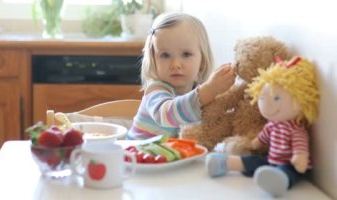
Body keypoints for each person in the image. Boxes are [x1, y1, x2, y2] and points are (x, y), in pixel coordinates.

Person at [205, 56, 320, 197]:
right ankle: (224, 163)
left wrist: (299, 156)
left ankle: (279, 181)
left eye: (276, 98)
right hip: (270, 159)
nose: (267, 104)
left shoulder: (296, 128)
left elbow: (300, 147)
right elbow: (261, 140)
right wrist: (252, 145)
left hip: (289, 163)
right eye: (263, 98)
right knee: (254, 161)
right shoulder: (271, 126)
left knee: (287, 171)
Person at [126, 12, 236, 140]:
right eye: (165, 55)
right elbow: (167, 115)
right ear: (153, 60)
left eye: (186, 54)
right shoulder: (156, 90)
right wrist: (208, 91)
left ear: (202, 61)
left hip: (175, 156)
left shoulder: (198, 91)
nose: (175, 64)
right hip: (138, 155)